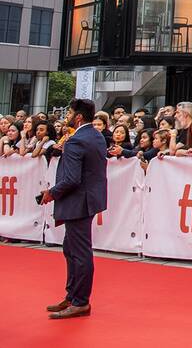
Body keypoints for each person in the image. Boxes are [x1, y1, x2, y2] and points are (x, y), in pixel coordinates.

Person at [41, 98, 107, 320]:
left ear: (78, 116)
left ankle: (80, 302)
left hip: (78, 201)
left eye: (69, 112)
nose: (67, 116)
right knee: (71, 249)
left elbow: (71, 179)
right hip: (88, 200)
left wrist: (51, 193)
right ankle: (73, 296)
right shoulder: (96, 136)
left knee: (79, 253)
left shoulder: (77, 140)